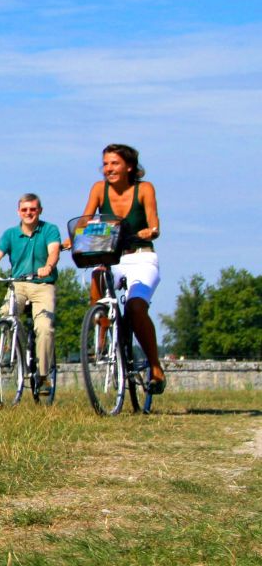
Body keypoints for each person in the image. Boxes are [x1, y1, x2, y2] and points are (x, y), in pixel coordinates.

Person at [77, 143, 165, 393]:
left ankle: (156, 367)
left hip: (140, 257)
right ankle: (103, 333)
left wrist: (151, 230)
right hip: (112, 256)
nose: (108, 169)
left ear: (129, 166)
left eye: (114, 163)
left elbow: (154, 221)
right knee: (97, 277)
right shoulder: (98, 189)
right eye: (105, 164)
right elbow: (85, 219)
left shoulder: (144, 189)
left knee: (136, 307)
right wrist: (75, 237)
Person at [0, 194, 62, 386]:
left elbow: (54, 251)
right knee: (7, 315)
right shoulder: (10, 234)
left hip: (42, 285)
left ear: (40, 210)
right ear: (18, 212)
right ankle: (14, 348)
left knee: (45, 328)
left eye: (32, 209)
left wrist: (48, 266)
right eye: (24, 210)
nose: (28, 213)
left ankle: (44, 375)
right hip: (18, 284)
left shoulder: (50, 230)